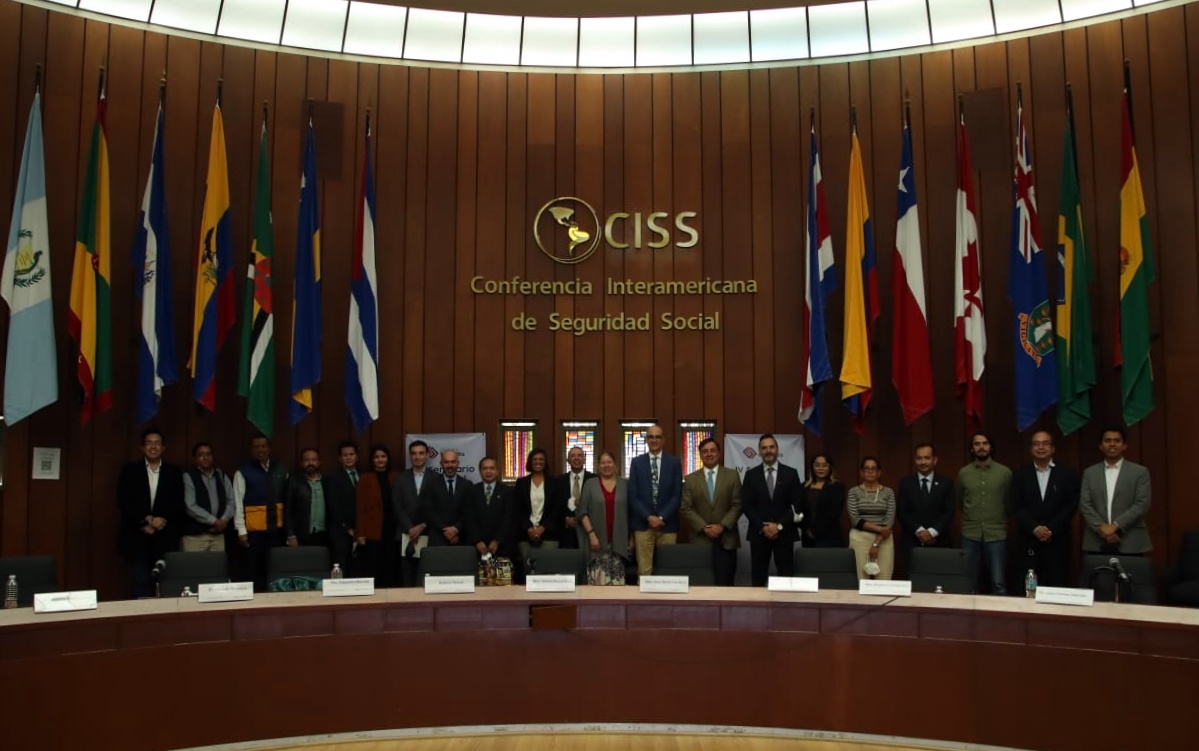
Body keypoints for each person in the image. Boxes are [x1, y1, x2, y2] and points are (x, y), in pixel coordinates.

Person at [117, 428, 185, 598]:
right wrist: (146, 520)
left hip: (164, 536)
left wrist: (160, 521)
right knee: (140, 582)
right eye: (149, 443)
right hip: (137, 536)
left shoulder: (174, 472)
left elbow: (177, 502)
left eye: (157, 443)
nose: (153, 447)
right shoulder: (130, 470)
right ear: (142, 448)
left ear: (163, 448)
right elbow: (124, 500)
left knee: (163, 583)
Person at [1010, 431, 1080, 588]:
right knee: (1029, 588)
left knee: (1057, 586)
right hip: (1029, 541)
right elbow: (1016, 505)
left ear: (1053, 448)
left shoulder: (1067, 474)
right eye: (1036, 444)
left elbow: (1071, 505)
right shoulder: (1020, 475)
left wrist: (1050, 529)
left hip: (1057, 541)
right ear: (1031, 449)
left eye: (1045, 443)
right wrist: (1035, 528)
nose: (1041, 447)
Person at [1079, 426, 1152, 556]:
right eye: (1107, 440)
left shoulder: (1140, 472)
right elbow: (1085, 504)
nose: (1112, 444)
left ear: (1124, 446)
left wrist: (1116, 526)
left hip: (1131, 541)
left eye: (1117, 441)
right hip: (1097, 541)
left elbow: (1141, 504)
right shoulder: (1090, 473)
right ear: (1101, 446)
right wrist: (1101, 528)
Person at [680, 437, 742, 586]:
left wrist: (721, 526)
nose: (709, 454)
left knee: (725, 585)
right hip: (700, 539)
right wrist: (704, 527)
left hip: (726, 539)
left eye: (712, 450)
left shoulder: (732, 475)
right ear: (701, 455)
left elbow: (738, 504)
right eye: (705, 451)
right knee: (701, 584)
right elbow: (686, 507)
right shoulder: (690, 479)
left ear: (719, 454)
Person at [956, 432, 1013, 594]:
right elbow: (960, 501)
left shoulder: (1004, 473)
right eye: (977, 444)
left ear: (991, 447)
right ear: (972, 449)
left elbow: (1009, 503)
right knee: (969, 583)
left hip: (996, 534)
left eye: (985, 443)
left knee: (998, 582)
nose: (981, 447)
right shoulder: (964, 473)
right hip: (970, 534)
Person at [741, 433, 801, 586]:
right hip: (759, 534)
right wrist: (764, 527)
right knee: (758, 580)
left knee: (786, 579)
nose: (768, 451)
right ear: (759, 452)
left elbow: (797, 504)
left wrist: (778, 526)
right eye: (764, 448)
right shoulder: (751, 475)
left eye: (771, 447)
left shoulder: (791, 474)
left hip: (784, 534)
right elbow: (747, 506)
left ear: (777, 449)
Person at [233, 433, 289, 592]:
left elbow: (288, 499)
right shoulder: (242, 472)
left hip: (276, 530)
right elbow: (237, 503)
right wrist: (241, 530)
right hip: (253, 532)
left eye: (263, 446)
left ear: (269, 448)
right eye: (256, 447)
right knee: (254, 570)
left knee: (275, 567)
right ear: (251, 450)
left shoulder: (281, 468)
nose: (260, 450)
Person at [628, 424, 682, 576]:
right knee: (644, 571)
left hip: (667, 525)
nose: (654, 440)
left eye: (658, 437)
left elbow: (677, 495)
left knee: (667, 571)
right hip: (643, 524)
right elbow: (633, 496)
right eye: (651, 437)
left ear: (663, 440)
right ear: (646, 440)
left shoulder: (674, 463)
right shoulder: (637, 463)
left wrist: (661, 517)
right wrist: (649, 517)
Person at [896, 443, 954, 565]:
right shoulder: (906, 483)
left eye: (927, 458)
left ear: (935, 460)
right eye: (919, 458)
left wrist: (932, 532)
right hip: (912, 542)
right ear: (915, 460)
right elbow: (902, 511)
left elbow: (949, 512)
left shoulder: (946, 483)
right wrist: (920, 532)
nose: (923, 462)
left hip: (939, 541)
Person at [576, 451, 632, 571]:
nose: (606, 465)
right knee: (597, 580)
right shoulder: (590, 484)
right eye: (603, 463)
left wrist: (632, 538)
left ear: (615, 465)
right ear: (598, 466)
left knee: (616, 581)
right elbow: (582, 512)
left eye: (609, 462)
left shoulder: (625, 485)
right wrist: (591, 535)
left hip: (620, 543)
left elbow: (632, 513)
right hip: (596, 541)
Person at [392, 440, 435, 587]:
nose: (417, 457)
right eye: (414, 454)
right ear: (410, 456)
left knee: (426, 577)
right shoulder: (400, 478)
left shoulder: (436, 478)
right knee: (407, 578)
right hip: (406, 534)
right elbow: (397, 506)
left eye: (421, 453)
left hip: (428, 533)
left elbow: (437, 507)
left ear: (427, 455)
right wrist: (410, 528)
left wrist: (422, 525)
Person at [847, 456, 897, 580]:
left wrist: (876, 543)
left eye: (873, 469)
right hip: (860, 537)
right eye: (866, 468)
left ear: (879, 472)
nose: (870, 471)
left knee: (884, 580)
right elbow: (855, 520)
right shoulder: (853, 492)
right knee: (861, 580)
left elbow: (889, 520)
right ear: (861, 472)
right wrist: (879, 529)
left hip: (884, 539)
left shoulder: (888, 492)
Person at [181, 441, 234, 553]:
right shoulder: (188, 476)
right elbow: (190, 506)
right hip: (195, 537)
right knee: (195, 564)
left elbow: (231, 501)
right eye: (201, 455)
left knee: (217, 564)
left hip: (218, 535)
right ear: (195, 458)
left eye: (208, 454)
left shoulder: (221, 475)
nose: (205, 457)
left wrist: (223, 520)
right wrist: (214, 521)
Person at [356, 444, 397, 586]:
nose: (380, 460)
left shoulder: (395, 477)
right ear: (372, 460)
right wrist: (360, 533)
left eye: (383, 456)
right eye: (376, 457)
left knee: (390, 564)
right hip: (372, 529)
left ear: (388, 458)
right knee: (373, 565)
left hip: (392, 527)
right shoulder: (365, 478)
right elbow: (360, 507)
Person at [463, 456, 516, 560]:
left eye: (492, 468)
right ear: (480, 471)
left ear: (497, 471)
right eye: (485, 468)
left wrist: (497, 540)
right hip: (477, 546)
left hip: (502, 546)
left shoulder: (507, 492)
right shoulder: (471, 491)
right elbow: (469, 517)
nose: (488, 471)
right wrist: (478, 540)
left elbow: (509, 519)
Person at [515, 447, 559, 565]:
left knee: (547, 568)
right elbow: (518, 509)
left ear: (545, 462)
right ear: (530, 462)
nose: (538, 462)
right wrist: (529, 528)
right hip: (526, 534)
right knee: (529, 569)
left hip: (548, 534)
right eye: (535, 459)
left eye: (541, 459)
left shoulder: (554, 483)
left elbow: (556, 510)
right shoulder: (521, 483)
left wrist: (542, 528)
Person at [324, 440, 360, 572]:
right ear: (340, 458)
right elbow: (333, 506)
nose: (349, 458)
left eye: (351, 454)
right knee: (341, 566)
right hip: (341, 532)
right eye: (345, 455)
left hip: (362, 531)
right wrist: (347, 528)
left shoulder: (365, 475)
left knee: (358, 568)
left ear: (357, 456)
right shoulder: (333, 478)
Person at [285, 448, 330, 550]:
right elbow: (287, 510)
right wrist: (290, 535)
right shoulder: (294, 481)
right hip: (301, 534)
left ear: (319, 462)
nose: (310, 463)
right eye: (307, 460)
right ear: (301, 463)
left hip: (324, 534)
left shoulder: (327, 481)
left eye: (314, 460)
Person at [799, 454, 846, 548]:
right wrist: (807, 530)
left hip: (830, 537)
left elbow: (833, 513)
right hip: (808, 537)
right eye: (817, 465)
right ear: (812, 467)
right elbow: (799, 510)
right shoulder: (804, 486)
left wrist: (815, 532)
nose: (820, 468)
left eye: (824, 465)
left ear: (830, 468)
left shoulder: (837, 487)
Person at [555, 446, 596, 550]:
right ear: (568, 460)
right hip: (566, 533)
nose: (576, 458)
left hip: (590, 531)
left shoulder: (594, 479)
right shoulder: (558, 481)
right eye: (573, 456)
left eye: (580, 455)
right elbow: (554, 506)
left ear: (584, 459)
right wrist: (565, 520)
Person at [427, 449, 470, 546]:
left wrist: (455, 529)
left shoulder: (467, 485)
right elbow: (429, 511)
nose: (450, 465)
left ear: (458, 463)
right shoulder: (431, 485)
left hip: (460, 538)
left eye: (453, 462)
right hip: (437, 538)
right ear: (441, 464)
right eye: (446, 462)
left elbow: (469, 512)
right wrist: (446, 531)